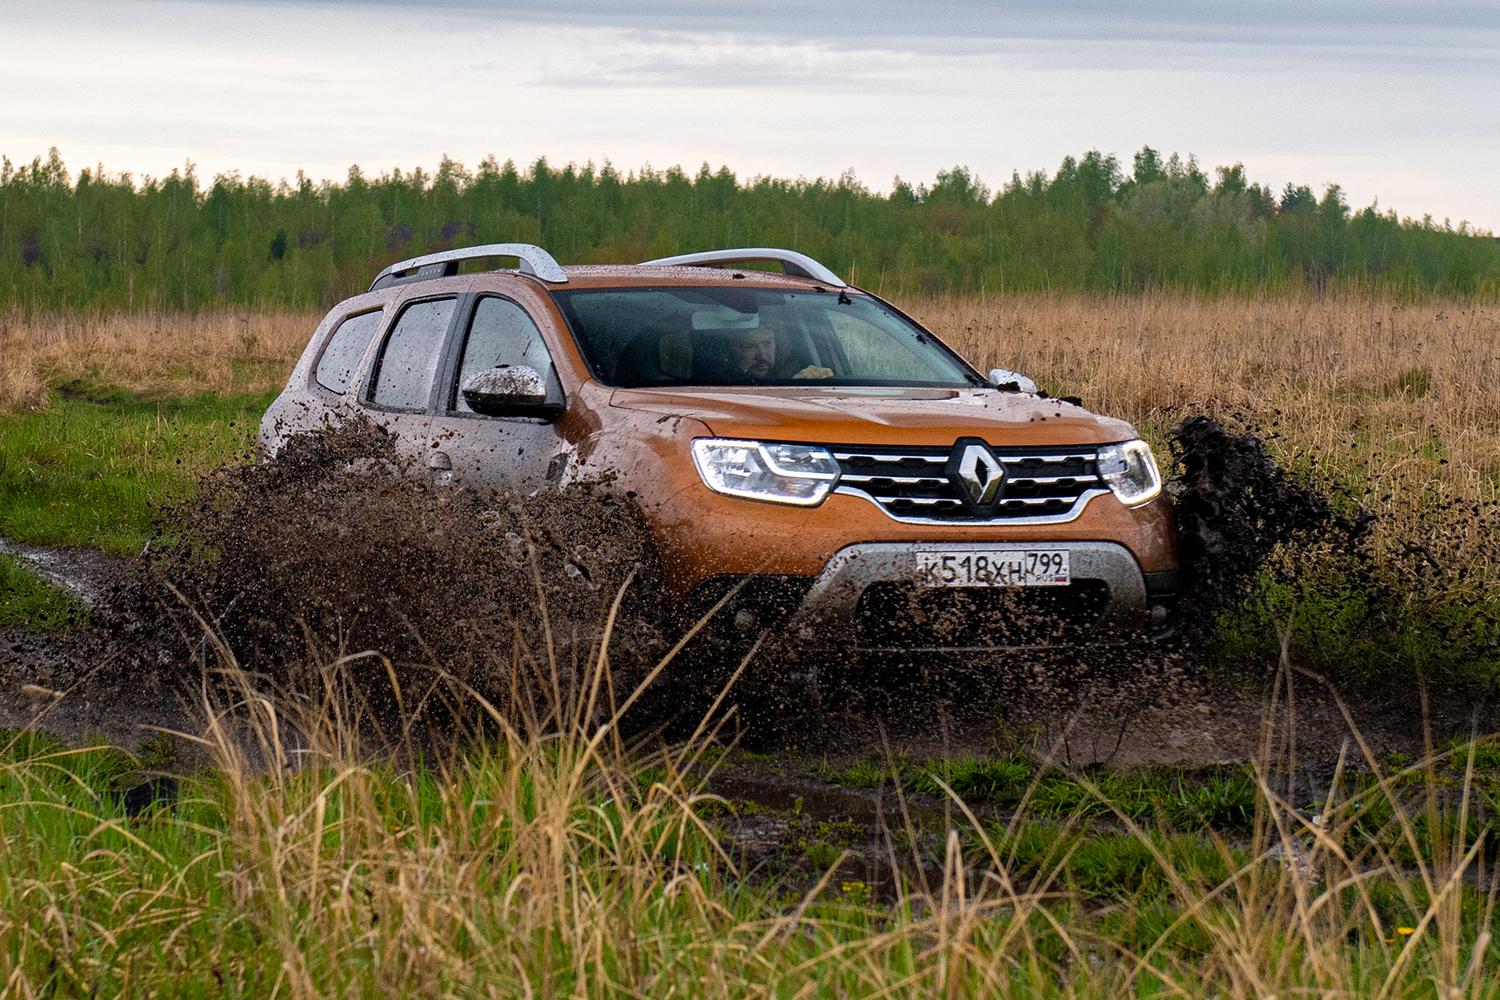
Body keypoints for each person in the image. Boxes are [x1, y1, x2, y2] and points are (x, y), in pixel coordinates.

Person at [719, 325, 832, 382]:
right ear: (731, 351)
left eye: (768, 343)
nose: (762, 356)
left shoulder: (795, 374)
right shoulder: (716, 384)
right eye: (749, 347)